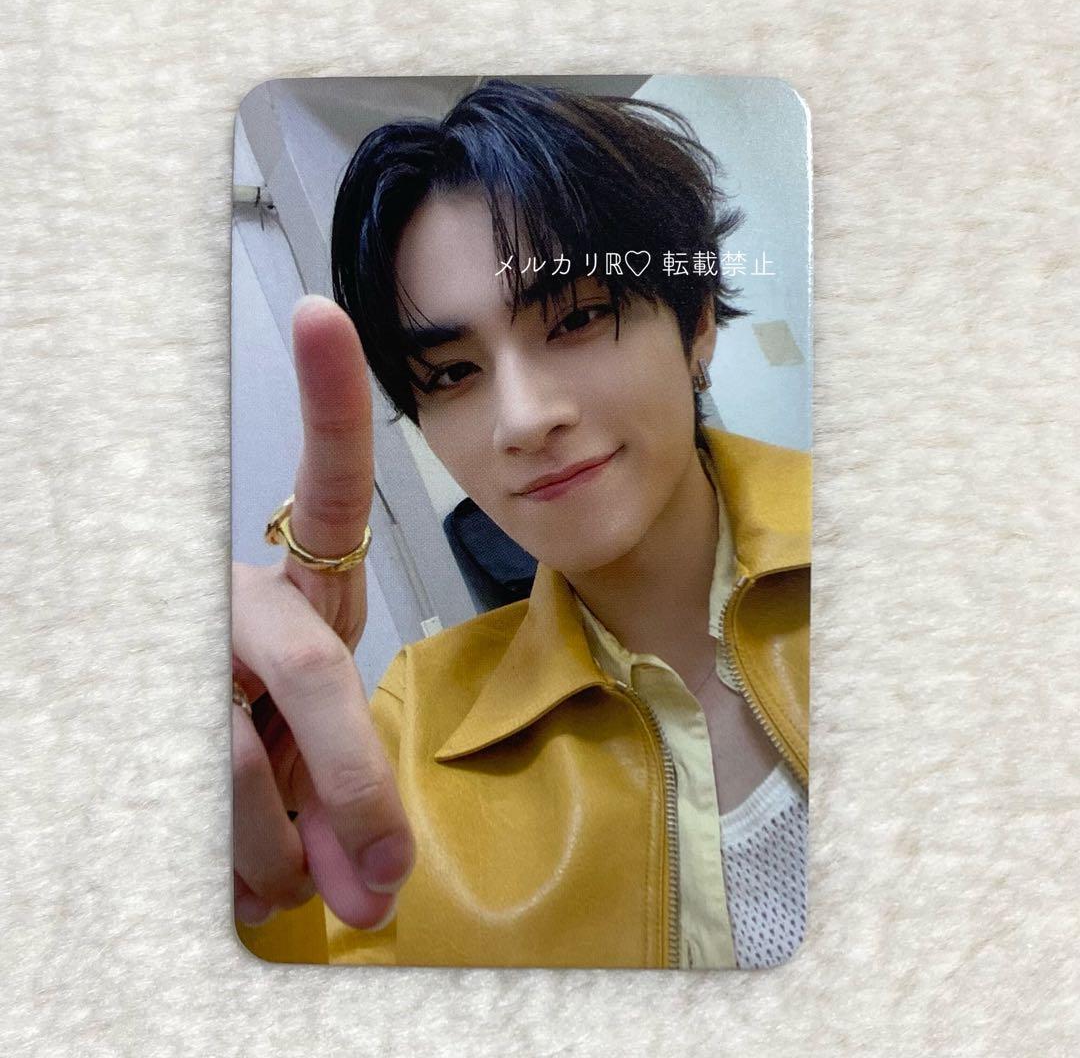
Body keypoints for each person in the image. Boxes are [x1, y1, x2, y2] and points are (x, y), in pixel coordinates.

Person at [231, 79, 811, 969]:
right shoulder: (411, 735)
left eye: (576, 317)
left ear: (696, 324)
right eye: (452, 374)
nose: (523, 419)